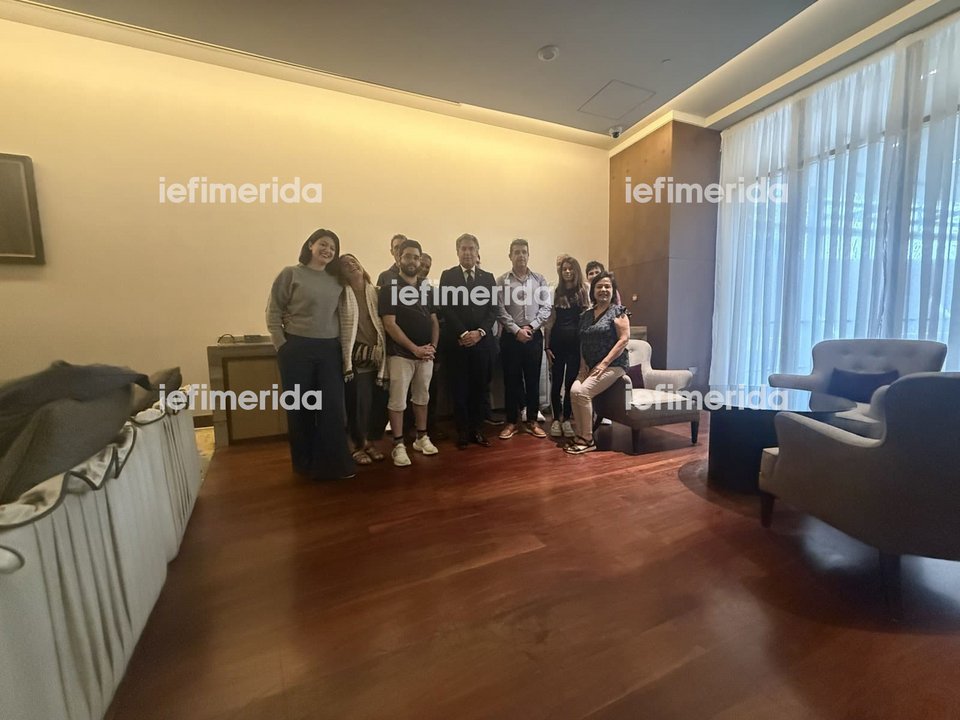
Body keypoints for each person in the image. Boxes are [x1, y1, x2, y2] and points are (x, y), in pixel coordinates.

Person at [266, 228, 354, 479]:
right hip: (296, 348)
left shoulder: (337, 280)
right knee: (300, 408)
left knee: (332, 409)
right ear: (310, 245)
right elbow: (273, 311)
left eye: (333, 248)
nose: (328, 250)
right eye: (323, 244)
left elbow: (347, 311)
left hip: (329, 349)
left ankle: (334, 466)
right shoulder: (291, 273)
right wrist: (282, 345)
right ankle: (304, 465)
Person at [379, 239, 440, 466]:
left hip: (426, 354)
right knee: (397, 400)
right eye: (407, 256)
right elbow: (390, 324)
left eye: (416, 257)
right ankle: (398, 445)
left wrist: (432, 347)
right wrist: (414, 349)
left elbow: (434, 321)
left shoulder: (427, 289)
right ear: (398, 258)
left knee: (422, 397)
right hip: (400, 354)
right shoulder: (389, 288)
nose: (412, 261)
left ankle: (421, 438)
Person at [438, 233, 497, 449]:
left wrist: (479, 333)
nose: (467, 252)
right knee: (460, 389)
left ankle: (477, 430)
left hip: (481, 343)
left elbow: (493, 310)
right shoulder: (448, 276)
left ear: (477, 251)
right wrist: (463, 333)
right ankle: (462, 431)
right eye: (463, 248)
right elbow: (446, 308)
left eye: (471, 248)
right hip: (458, 343)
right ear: (457, 252)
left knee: (479, 388)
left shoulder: (488, 278)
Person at [565, 271, 630, 455]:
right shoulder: (586, 315)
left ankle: (588, 440)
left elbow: (624, 340)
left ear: (613, 290)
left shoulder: (619, 312)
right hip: (589, 365)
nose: (603, 290)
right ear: (593, 291)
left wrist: (604, 364)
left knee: (583, 393)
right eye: (599, 286)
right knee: (574, 391)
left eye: (607, 286)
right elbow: (583, 342)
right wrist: (582, 365)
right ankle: (580, 435)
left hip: (613, 365)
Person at [495, 239, 551, 439]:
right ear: (510, 256)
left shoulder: (539, 280)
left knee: (533, 380)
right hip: (510, 338)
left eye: (524, 252)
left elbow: (546, 307)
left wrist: (531, 326)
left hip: (533, 337)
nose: (520, 255)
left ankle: (533, 421)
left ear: (528, 255)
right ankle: (511, 422)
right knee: (511, 381)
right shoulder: (501, 281)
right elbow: (499, 309)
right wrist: (516, 330)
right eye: (516, 252)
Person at [338, 253, 388, 465]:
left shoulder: (376, 292)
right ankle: (356, 446)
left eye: (354, 261)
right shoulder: (340, 295)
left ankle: (369, 442)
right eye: (345, 264)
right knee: (358, 405)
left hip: (379, 358)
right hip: (356, 359)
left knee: (377, 404)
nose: (351, 265)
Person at [545, 255, 589, 439]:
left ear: (576, 270)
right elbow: (550, 321)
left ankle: (566, 420)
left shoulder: (583, 292)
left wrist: (584, 350)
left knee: (571, 383)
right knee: (556, 382)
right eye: (564, 269)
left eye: (571, 268)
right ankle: (556, 419)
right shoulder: (555, 292)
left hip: (575, 345)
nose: (568, 272)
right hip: (556, 344)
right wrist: (546, 347)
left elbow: (586, 323)